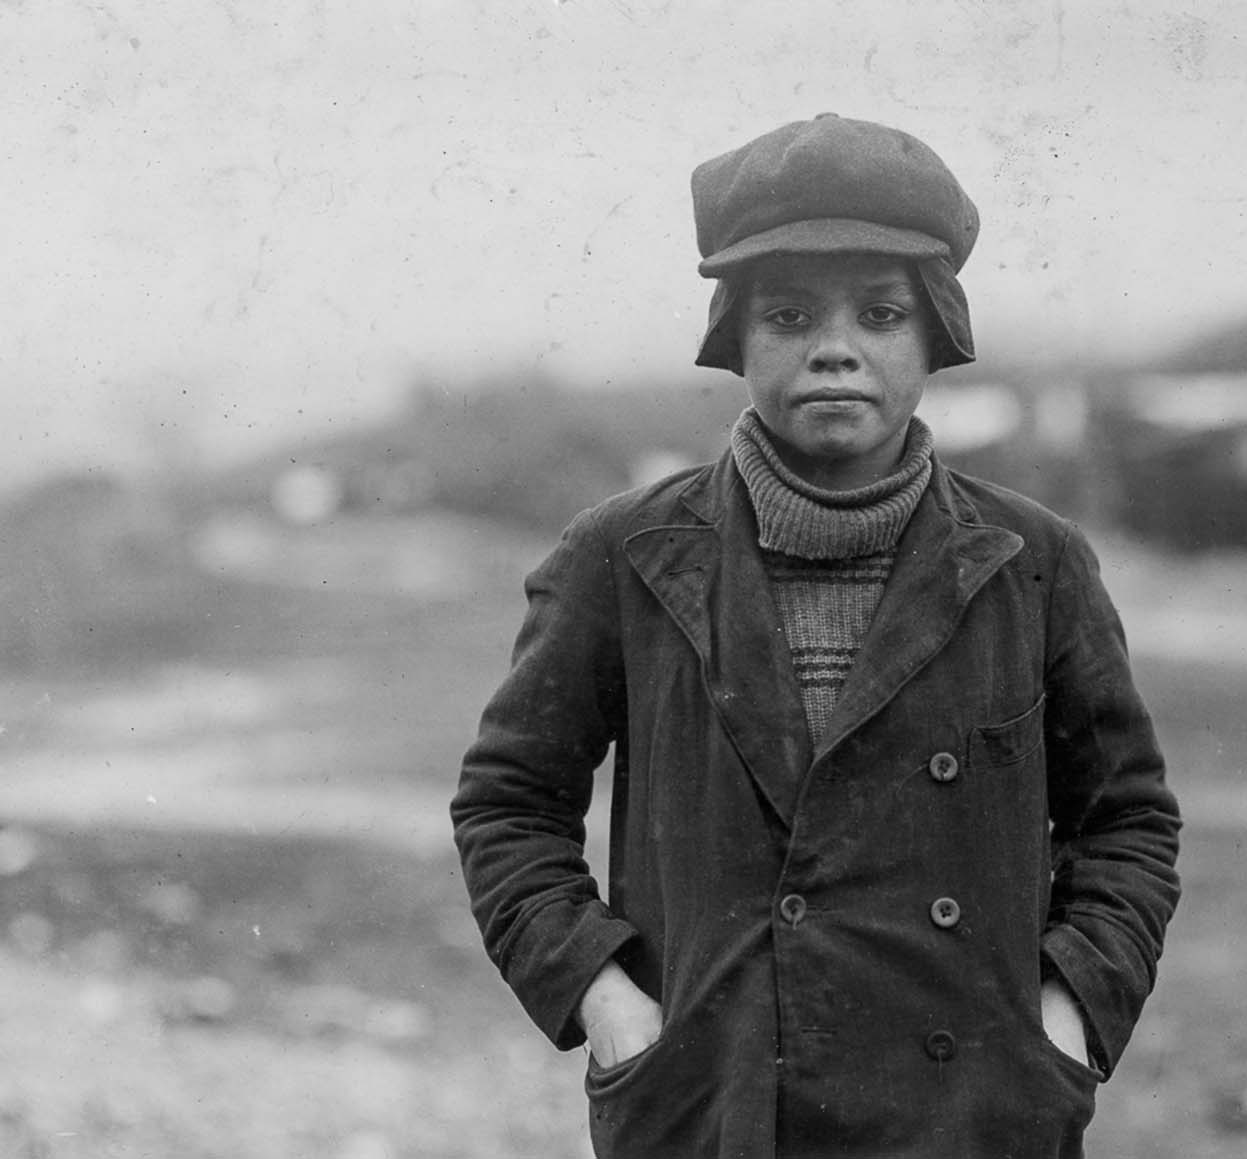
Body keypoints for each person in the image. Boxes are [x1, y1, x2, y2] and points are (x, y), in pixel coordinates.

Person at [451, 113, 1181, 1159]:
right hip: (717, 1109)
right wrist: (611, 1008)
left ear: (933, 336)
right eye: (789, 314)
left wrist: (1064, 1018)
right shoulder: (620, 554)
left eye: (879, 312)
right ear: (734, 341)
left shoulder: (1036, 562)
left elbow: (1127, 823)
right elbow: (508, 803)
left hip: (970, 1118)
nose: (834, 347)